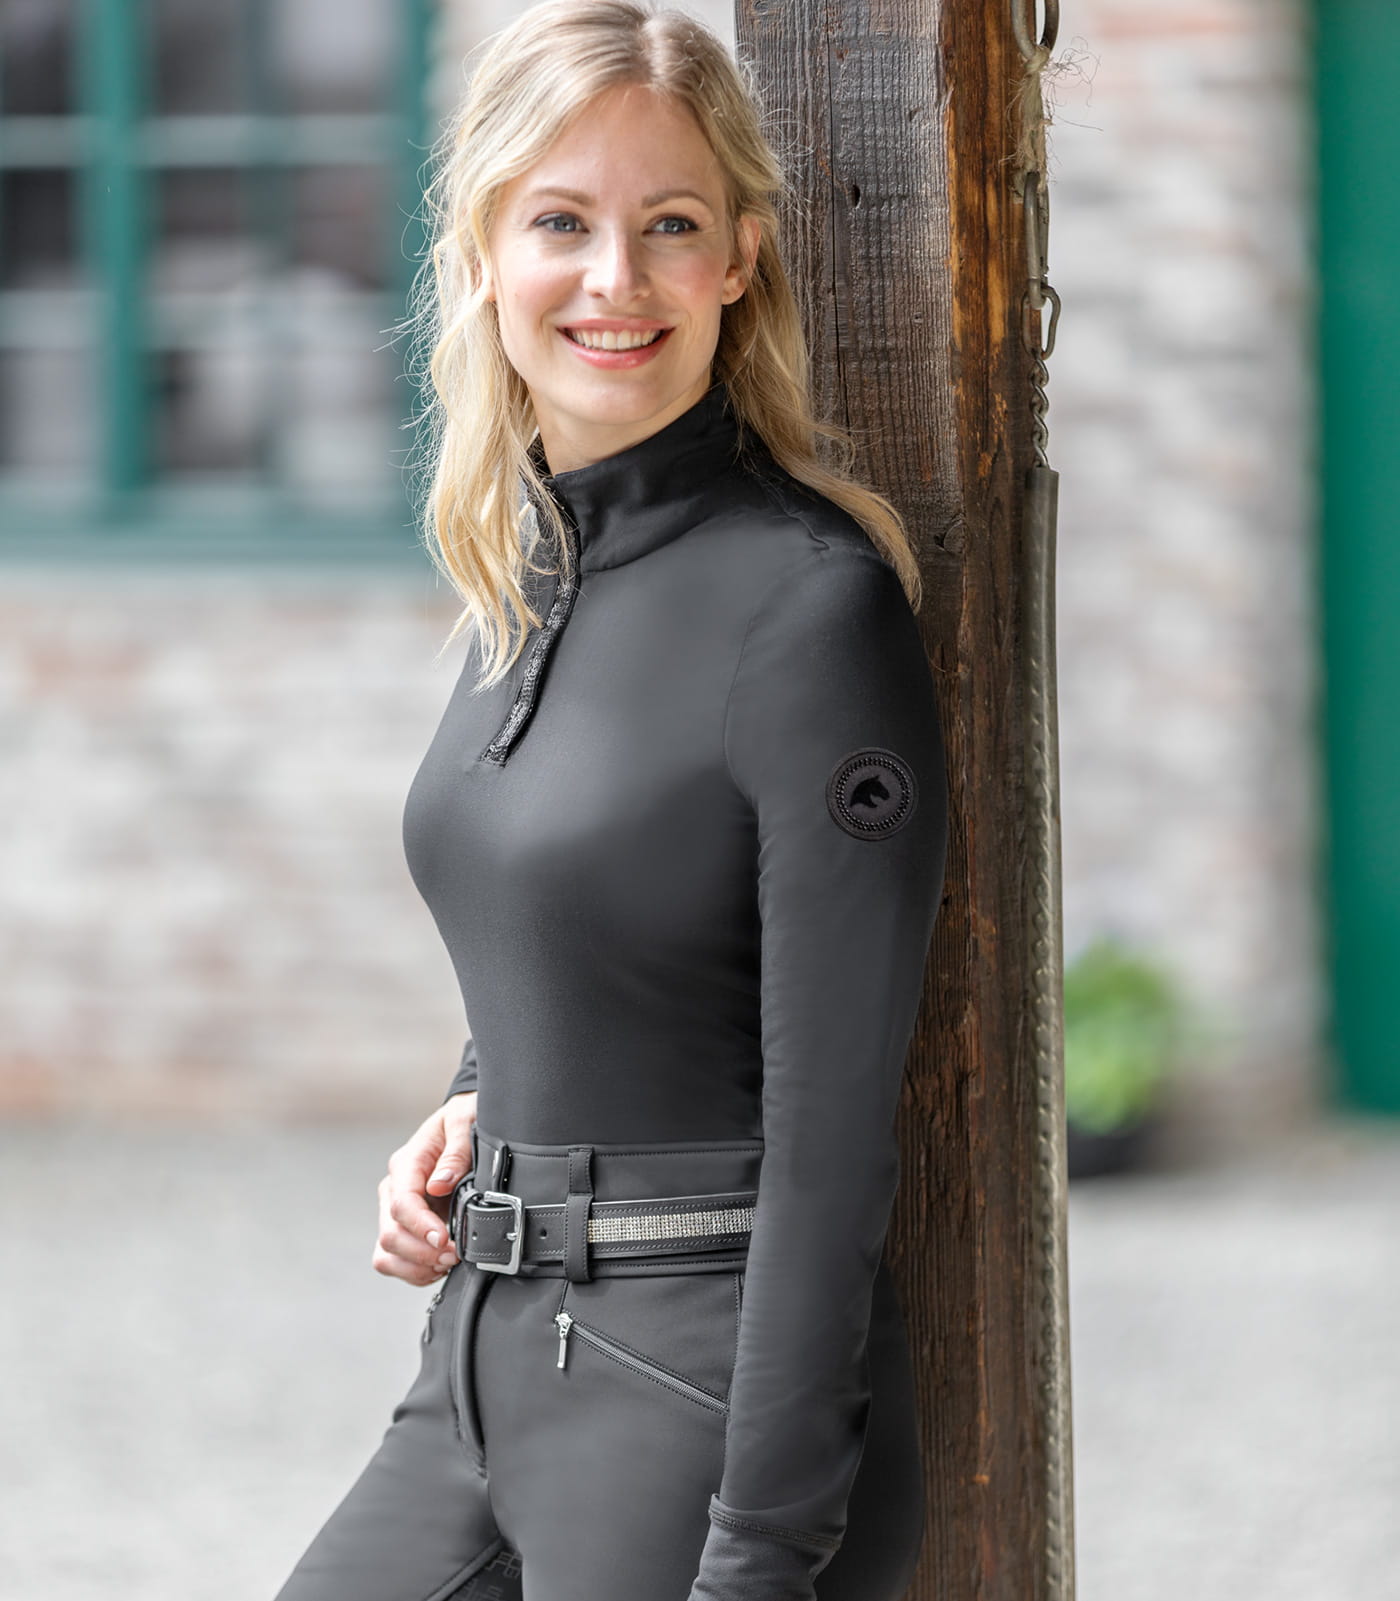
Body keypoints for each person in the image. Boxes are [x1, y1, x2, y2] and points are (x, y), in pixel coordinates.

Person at [273, 2, 948, 1598]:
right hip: (478, 1361)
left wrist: (760, 1553)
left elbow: (833, 1146)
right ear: (484, 251)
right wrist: (477, 1097)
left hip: (689, 1395)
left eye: (671, 226)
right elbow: (595, 917)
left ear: (740, 258)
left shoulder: (809, 607)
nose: (616, 280)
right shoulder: (524, 576)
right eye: (562, 222)